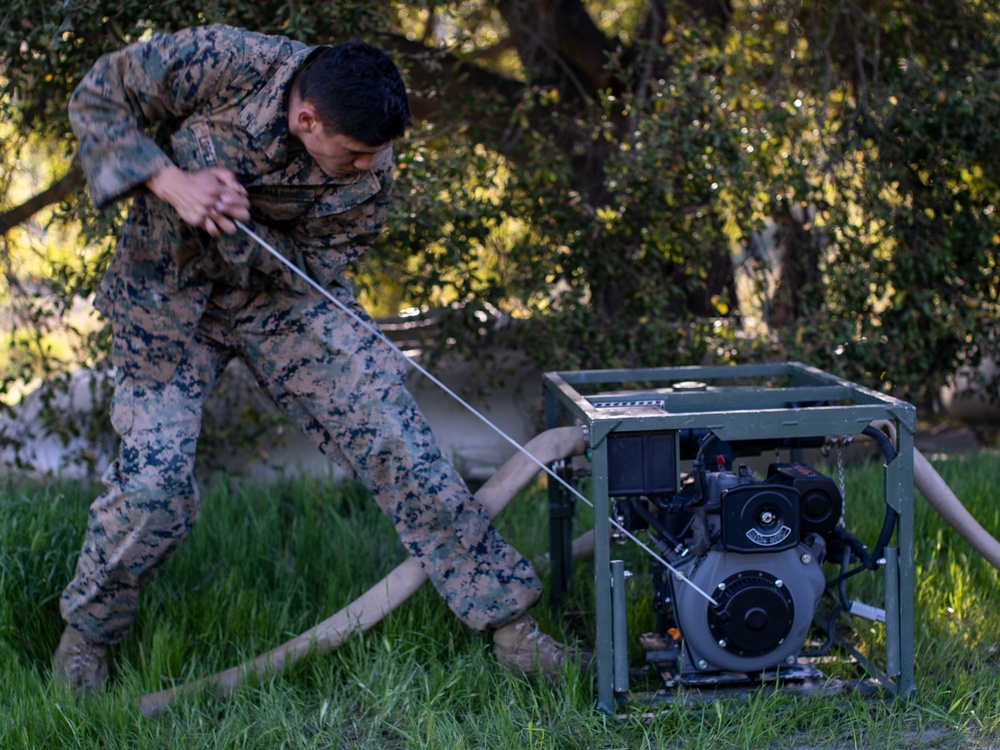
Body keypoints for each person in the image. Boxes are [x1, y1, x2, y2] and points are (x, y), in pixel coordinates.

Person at [54, 24, 570, 693]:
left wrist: (243, 224)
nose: (368, 166)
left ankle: (514, 632)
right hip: (165, 299)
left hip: (282, 300)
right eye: (355, 153)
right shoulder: (225, 61)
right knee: (154, 492)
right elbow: (96, 99)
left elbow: (320, 265)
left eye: (377, 155)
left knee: (398, 441)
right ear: (306, 118)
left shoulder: (372, 163)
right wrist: (174, 183)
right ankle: (86, 638)